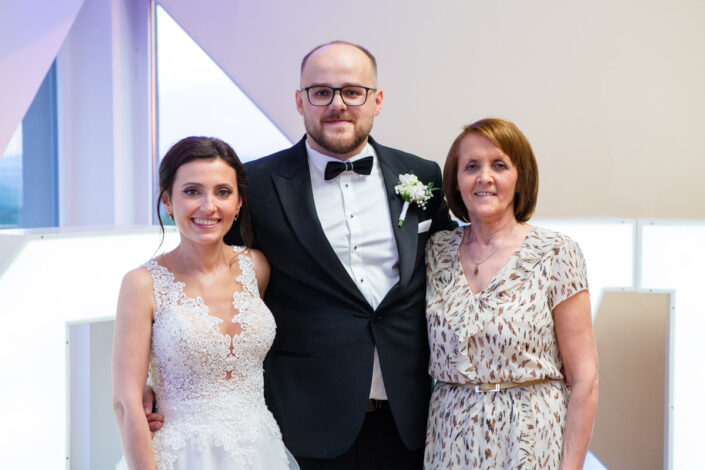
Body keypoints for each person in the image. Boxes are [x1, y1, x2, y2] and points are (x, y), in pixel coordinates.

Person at [232, 41, 454, 469]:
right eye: (321, 92)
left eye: (353, 91)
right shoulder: (255, 184)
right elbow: (213, 285)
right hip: (305, 419)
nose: (338, 104)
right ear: (300, 101)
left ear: (377, 100)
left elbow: (455, 267)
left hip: (408, 420)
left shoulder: (422, 175)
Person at [112, 137, 298, 469]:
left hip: (260, 450)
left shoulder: (256, 267)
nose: (208, 206)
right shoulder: (142, 284)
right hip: (182, 455)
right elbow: (126, 402)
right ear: (168, 201)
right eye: (192, 191)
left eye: (222, 192)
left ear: (238, 203)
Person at [424, 118, 599, 469]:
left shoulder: (556, 252)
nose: (484, 177)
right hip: (449, 443)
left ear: (521, 179)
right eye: (471, 166)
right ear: (455, 181)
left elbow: (585, 378)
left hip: (530, 442)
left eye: (499, 165)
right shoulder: (435, 250)